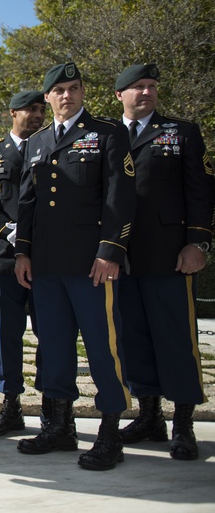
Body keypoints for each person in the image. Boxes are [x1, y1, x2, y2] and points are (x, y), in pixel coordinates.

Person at [14, 61, 136, 471]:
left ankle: (110, 432)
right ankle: (59, 426)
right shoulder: (37, 141)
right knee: (55, 348)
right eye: (59, 90)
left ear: (83, 92)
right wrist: (23, 253)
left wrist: (110, 251)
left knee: (104, 349)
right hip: (46, 267)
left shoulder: (107, 134)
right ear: (46, 97)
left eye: (75, 88)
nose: (68, 95)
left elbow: (120, 197)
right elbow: (27, 204)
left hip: (91, 265)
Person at [112, 63, 214, 461]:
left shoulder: (181, 132)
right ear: (119, 94)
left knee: (176, 340)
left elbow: (202, 193)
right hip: (120, 258)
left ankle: (184, 423)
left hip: (169, 256)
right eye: (138, 87)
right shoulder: (105, 135)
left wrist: (198, 244)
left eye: (152, 86)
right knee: (131, 338)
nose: (147, 92)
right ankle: (149, 415)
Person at [0, 90, 46, 436]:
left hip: (46, 257)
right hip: (4, 258)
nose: (37, 115)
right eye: (29, 109)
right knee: (5, 334)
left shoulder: (51, 147)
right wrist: (5, 229)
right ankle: (10, 404)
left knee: (51, 333)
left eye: (40, 109)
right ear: (12, 113)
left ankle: (53, 405)